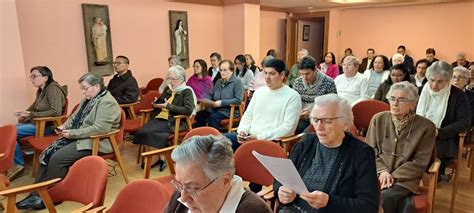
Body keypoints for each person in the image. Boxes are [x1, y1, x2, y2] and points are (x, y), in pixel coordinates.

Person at [16, 73, 121, 210]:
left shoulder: (107, 102)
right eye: (81, 88)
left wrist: (72, 133)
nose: (83, 92)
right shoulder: (88, 99)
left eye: (85, 88)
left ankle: (54, 196)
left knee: (57, 159)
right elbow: (73, 117)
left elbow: (100, 128)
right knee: (48, 153)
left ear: (96, 86)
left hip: (97, 141)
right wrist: (63, 126)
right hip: (82, 137)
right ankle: (37, 193)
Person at [274, 94, 379, 213]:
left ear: (345, 123)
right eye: (315, 120)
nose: (319, 127)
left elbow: (369, 206)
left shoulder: (361, 153)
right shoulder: (305, 143)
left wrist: (329, 202)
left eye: (327, 121)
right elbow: (281, 179)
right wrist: (281, 192)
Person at [367, 82, 436, 213]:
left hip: (406, 179)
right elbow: (369, 151)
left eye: (401, 99)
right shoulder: (378, 119)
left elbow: (420, 162)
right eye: (392, 98)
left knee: (383, 199)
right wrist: (382, 171)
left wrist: (393, 176)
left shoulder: (427, 127)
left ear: (413, 103)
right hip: (377, 174)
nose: (395, 103)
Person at [165, 135, 272, 213]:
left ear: (224, 181)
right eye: (179, 185)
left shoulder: (255, 210)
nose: (183, 198)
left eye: (193, 188)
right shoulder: (181, 193)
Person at [224, 58, 301, 151]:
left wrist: (259, 137)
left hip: (269, 141)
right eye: (265, 73)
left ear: (282, 75)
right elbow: (248, 115)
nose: (267, 77)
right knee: (217, 142)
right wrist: (242, 131)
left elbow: (288, 128)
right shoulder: (259, 92)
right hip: (247, 137)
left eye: (272, 74)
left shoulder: (292, 96)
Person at [134, 65, 196, 170]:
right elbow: (161, 101)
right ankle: (158, 157)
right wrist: (155, 103)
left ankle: (160, 158)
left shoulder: (186, 91)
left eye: (172, 79)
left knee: (151, 132)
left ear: (181, 79)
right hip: (160, 117)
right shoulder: (168, 89)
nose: (170, 81)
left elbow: (188, 110)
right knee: (142, 131)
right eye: (169, 78)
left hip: (175, 121)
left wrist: (168, 106)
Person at [416, 61, 471, 180]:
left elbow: (464, 123)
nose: (434, 85)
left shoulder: (458, 95)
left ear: (448, 81)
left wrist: (439, 132)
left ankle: (427, 178)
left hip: (443, 137)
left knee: (427, 149)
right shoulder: (420, 91)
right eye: (431, 80)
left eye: (440, 81)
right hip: (417, 132)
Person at [11, 66, 67, 180]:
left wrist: (30, 115)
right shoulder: (41, 90)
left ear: (45, 77)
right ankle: (17, 164)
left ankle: (18, 165)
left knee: (11, 133)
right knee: (8, 132)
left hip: (48, 127)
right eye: (31, 76)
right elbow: (34, 107)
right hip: (37, 124)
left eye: (34, 76)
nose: (32, 79)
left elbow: (55, 112)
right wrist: (24, 113)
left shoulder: (53, 89)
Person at [194, 60, 244, 129]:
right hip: (216, 109)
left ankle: (214, 138)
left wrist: (222, 103)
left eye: (225, 70)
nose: (222, 72)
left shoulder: (237, 82)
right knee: (200, 114)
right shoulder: (219, 81)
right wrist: (206, 100)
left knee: (213, 118)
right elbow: (211, 94)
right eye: (221, 70)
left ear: (232, 71)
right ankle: (201, 137)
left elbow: (238, 100)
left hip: (228, 112)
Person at [293, 56, 337, 134]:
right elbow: (293, 103)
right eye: (302, 74)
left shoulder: (328, 82)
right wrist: (299, 112)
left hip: (320, 119)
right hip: (301, 117)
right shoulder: (298, 82)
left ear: (315, 69)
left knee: (306, 134)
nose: (304, 77)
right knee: (291, 129)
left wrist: (313, 112)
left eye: (307, 74)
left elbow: (333, 106)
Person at [450, 66, 474, 142]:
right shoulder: (444, 95)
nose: (456, 80)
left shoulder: (472, 97)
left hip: (461, 131)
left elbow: (471, 117)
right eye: (453, 77)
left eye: (460, 77)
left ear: (467, 81)